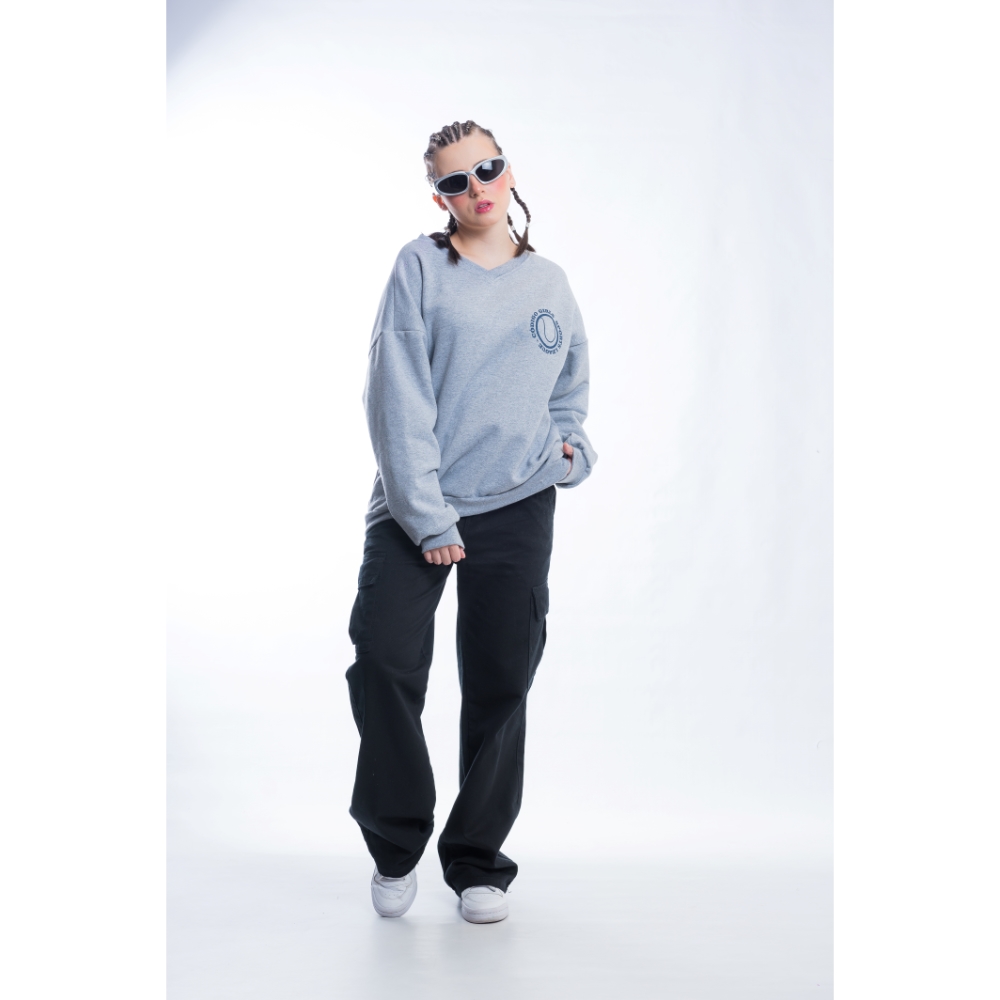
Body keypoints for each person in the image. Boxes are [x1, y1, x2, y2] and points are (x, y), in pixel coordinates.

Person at [345, 120, 597, 924]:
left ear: (508, 170)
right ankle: (395, 844)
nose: (476, 187)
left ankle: (478, 861)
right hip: (417, 503)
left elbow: (569, 390)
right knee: (383, 661)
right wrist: (428, 517)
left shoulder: (549, 282)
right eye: (455, 180)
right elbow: (395, 396)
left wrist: (569, 453)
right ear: (439, 198)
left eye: (487, 169)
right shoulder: (420, 268)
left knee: (502, 680)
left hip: (518, 503)